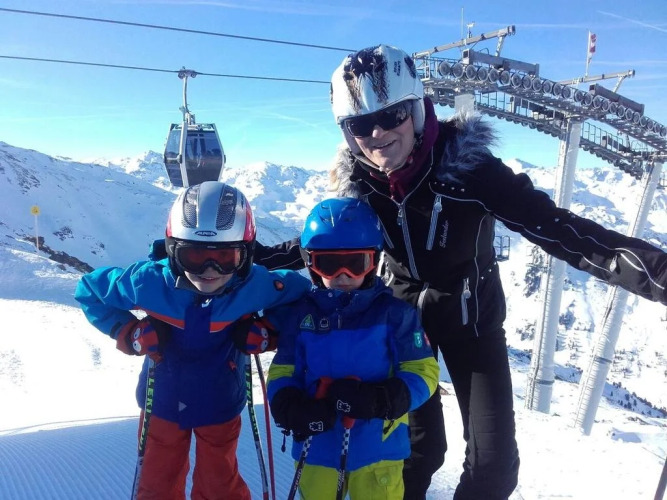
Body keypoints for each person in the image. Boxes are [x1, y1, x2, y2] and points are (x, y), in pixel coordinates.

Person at [254, 44, 667, 500]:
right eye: (360, 124)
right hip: (402, 325)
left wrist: (658, 274)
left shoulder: (469, 169)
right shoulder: (361, 184)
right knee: (417, 454)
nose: (377, 133)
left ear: (416, 109)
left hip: (473, 325)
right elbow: (322, 248)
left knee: (493, 469)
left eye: (391, 115)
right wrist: (234, 257)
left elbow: (559, 229)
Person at [74, 181, 311, 500]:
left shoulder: (251, 285)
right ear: (173, 251)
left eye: (225, 257)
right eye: (193, 256)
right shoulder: (148, 282)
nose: (209, 271)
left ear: (245, 256)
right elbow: (90, 290)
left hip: (219, 402)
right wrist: (129, 333)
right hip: (162, 402)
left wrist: (267, 330)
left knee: (219, 484)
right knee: (157, 483)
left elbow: (300, 298)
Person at [262, 197, 440, 499]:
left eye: (356, 263)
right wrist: (289, 405)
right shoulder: (301, 316)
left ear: (374, 262)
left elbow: (423, 372)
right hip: (316, 447)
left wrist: (382, 400)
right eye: (329, 264)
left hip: (378, 452)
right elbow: (283, 370)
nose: (343, 275)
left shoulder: (395, 315)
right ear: (312, 265)